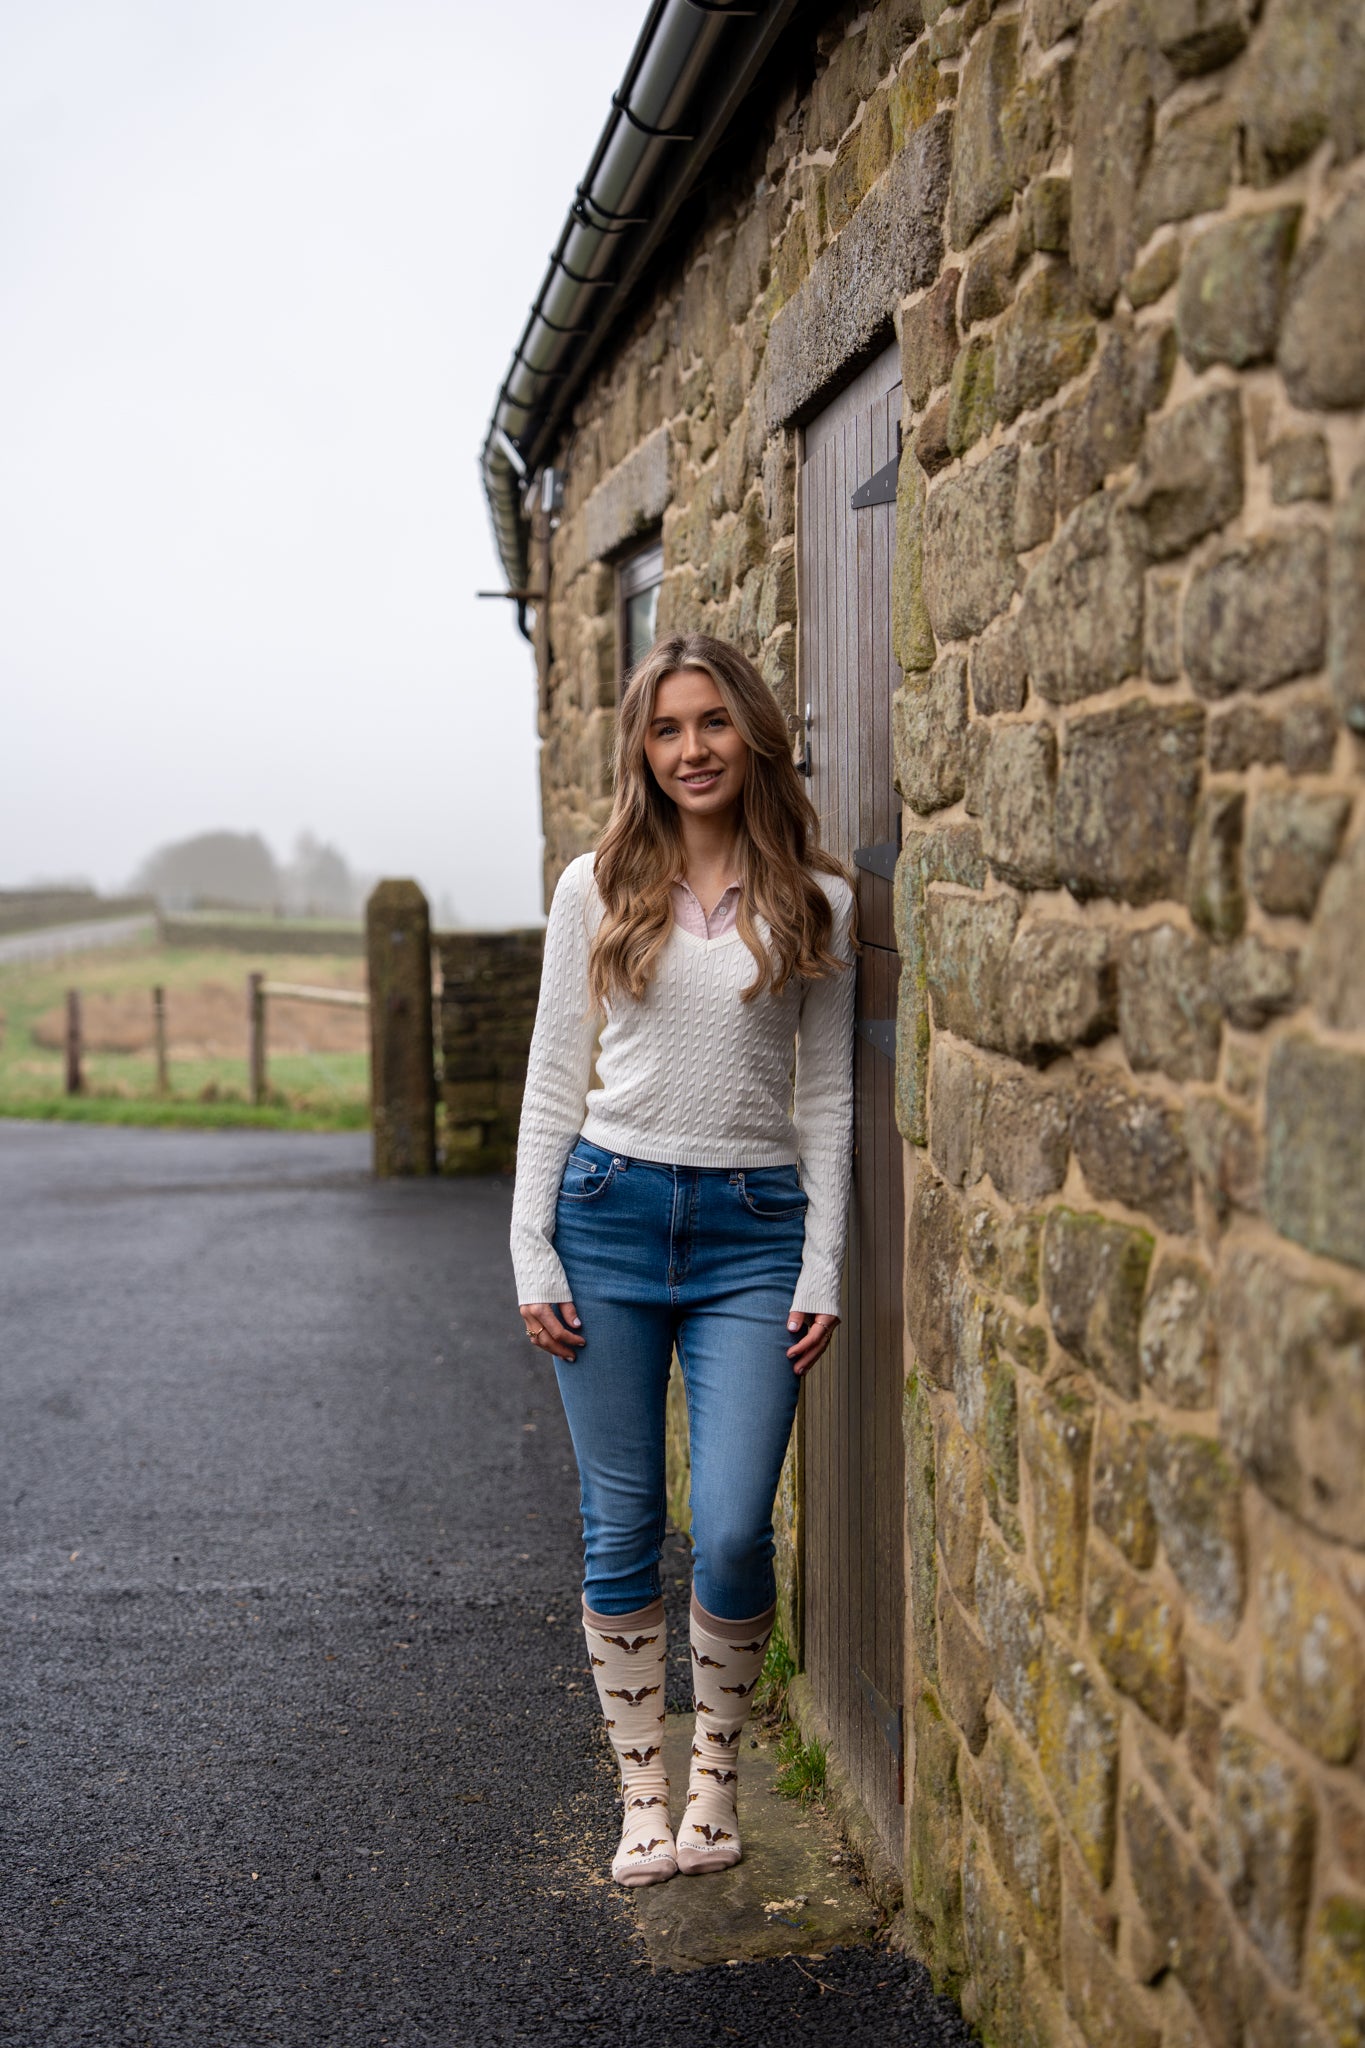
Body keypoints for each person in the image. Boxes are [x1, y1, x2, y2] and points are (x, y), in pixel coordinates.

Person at [511, 632, 856, 1888]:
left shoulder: (817, 897)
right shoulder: (594, 884)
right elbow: (556, 1074)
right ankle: (640, 1797)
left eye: (712, 722)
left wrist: (822, 1262)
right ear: (641, 750)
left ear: (749, 733)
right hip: (604, 1213)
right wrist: (530, 1245)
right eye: (667, 729)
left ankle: (716, 1776)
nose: (692, 748)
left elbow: (824, 1104)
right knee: (620, 1524)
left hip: (753, 1236)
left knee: (726, 1532)